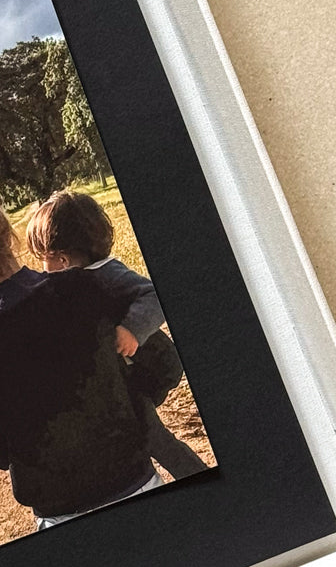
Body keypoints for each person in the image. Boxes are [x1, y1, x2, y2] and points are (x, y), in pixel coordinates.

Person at [0, 175, 163, 529]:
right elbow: (161, 364)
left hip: (63, 515)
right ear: (6, 231)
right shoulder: (87, 287)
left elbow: (0, 455)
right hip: (138, 483)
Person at [26, 191, 208, 480]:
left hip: (152, 368)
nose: (42, 271)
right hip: (127, 374)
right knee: (137, 430)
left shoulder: (107, 275)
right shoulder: (77, 280)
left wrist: (131, 329)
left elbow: (154, 295)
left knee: (151, 434)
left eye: (43, 261)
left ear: (62, 260)